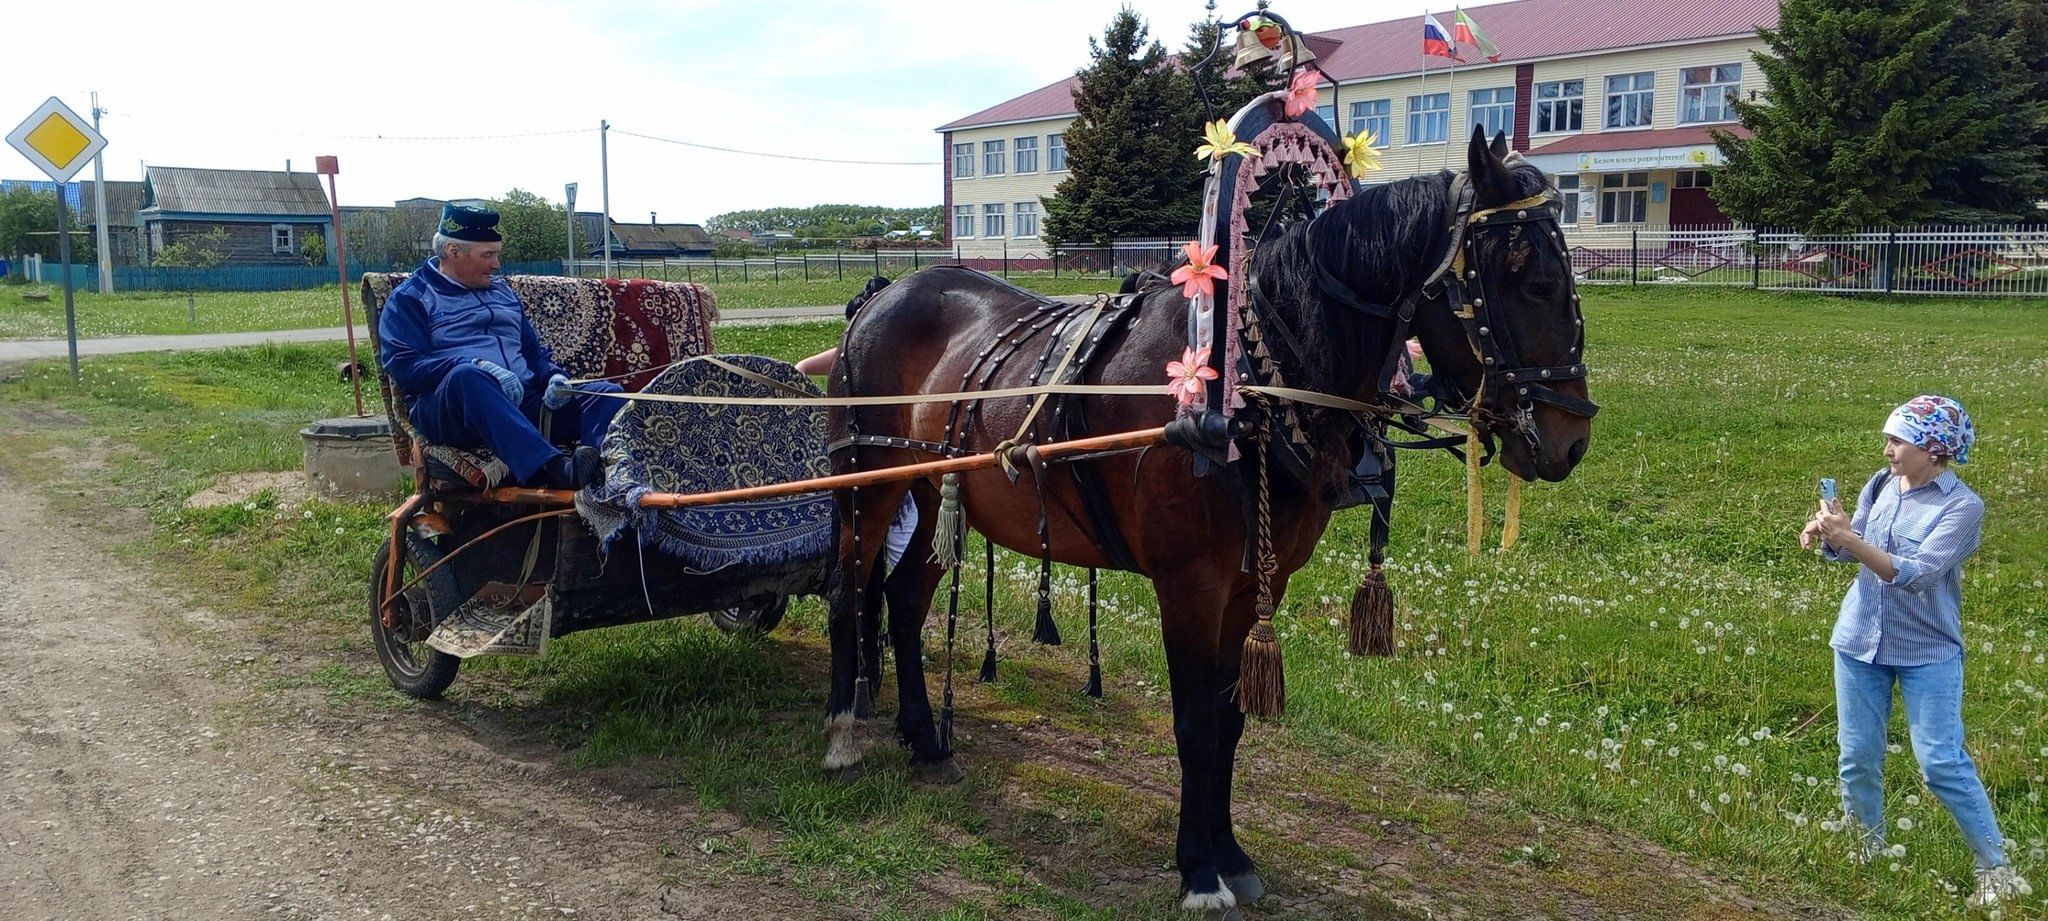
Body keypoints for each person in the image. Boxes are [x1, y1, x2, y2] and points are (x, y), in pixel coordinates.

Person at [1799, 395, 2030, 908]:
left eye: (1896, 441)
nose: (1887, 451)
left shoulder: (1963, 507)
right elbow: (1851, 546)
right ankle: (1866, 849)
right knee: (1857, 756)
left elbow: (1918, 574)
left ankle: (1995, 867)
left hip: (1929, 650)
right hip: (1859, 640)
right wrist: (1828, 534)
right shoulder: (1880, 485)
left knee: (1941, 763)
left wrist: (1851, 541)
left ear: (1933, 448)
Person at [377, 204, 623, 489]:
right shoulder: (412, 298)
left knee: (607, 394)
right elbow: (405, 367)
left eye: (497, 254)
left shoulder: (503, 291)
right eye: (488, 255)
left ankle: (601, 472)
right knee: (468, 378)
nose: (496, 264)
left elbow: (532, 353)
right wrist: (473, 364)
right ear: (454, 252)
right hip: (455, 409)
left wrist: (553, 376)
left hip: (522, 402)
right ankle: (555, 469)